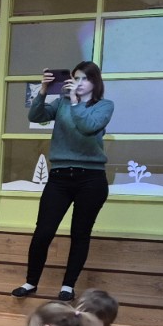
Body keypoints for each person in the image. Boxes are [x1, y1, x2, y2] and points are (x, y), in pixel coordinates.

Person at [13, 62, 114, 302]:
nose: (78, 83)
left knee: (80, 233)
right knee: (43, 231)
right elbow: (36, 116)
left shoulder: (104, 106)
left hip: (91, 178)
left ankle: (68, 286)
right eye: (75, 78)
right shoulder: (61, 103)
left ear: (95, 83)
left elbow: (87, 126)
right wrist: (43, 90)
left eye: (84, 79)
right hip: (59, 177)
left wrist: (76, 102)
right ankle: (30, 282)